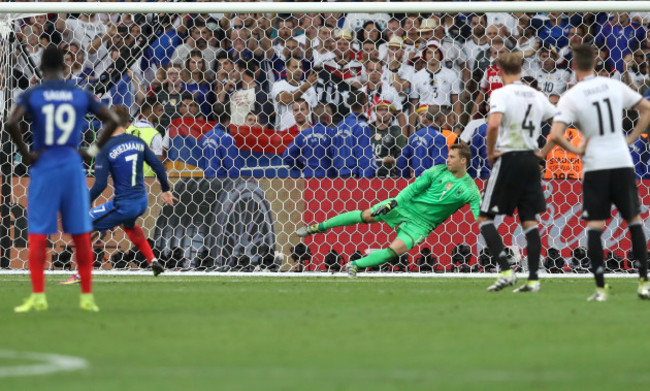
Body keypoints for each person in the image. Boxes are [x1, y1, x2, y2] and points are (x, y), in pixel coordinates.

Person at [7, 46, 119, 312]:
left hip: (44, 164)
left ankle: (38, 296)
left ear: (42, 67)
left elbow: (11, 123)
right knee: (80, 231)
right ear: (65, 68)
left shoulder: (33, 93)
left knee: (38, 231)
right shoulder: (79, 93)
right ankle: (87, 297)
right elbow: (112, 119)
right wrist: (90, 151)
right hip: (71, 164)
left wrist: (26, 154)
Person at [542, 44, 650, 301]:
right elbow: (646, 109)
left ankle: (600, 289)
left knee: (594, 225)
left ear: (575, 66)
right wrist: (631, 138)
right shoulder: (613, 86)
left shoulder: (572, 95)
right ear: (595, 62)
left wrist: (576, 150)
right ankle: (644, 284)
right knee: (634, 220)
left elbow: (555, 134)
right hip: (621, 160)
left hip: (595, 165)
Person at [295, 143, 480, 278]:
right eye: (448, 156)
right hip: (405, 205)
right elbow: (412, 189)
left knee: (396, 249)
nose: (447, 159)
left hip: (423, 224)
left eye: (452, 157)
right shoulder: (437, 170)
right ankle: (318, 227)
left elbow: (479, 216)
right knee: (366, 215)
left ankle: (355, 265)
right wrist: (393, 203)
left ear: (463, 160)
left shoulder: (470, 189)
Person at [62, 105, 178, 285]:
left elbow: (100, 184)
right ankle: (153, 261)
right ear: (128, 123)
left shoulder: (106, 147)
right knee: (130, 227)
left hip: (123, 204)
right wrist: (165, 189)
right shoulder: (138, 142)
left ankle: (81, 274)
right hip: (141, 201)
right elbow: (157, 164)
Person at [478, 52, 556, 293]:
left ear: (499, 70)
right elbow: (560, 121)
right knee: (529, 222)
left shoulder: (500, 93)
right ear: (522, 69)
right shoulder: (536, 95)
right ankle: (533, 280)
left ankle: (506, 271)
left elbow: (493, 124)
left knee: (485, 219)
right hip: (531, 161)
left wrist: (491, 153)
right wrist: (543, 152)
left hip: (509, 157)